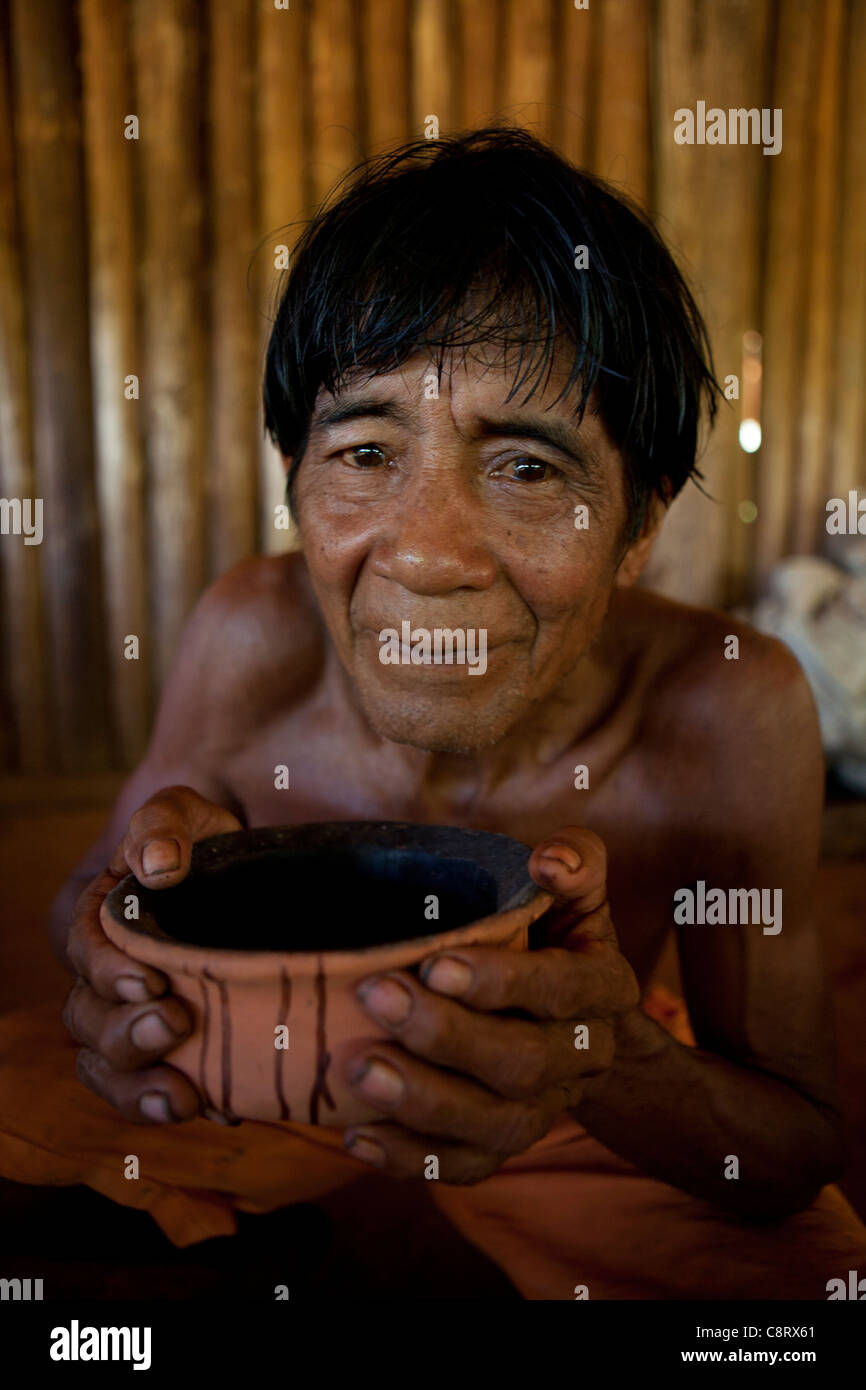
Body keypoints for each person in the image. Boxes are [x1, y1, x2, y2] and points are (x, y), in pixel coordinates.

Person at [33, 127, 866, 1298]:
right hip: (256, 1059)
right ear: (294, 481)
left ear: (639, 524)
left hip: (576, 1083)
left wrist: (601, 1052)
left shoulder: (726, 708)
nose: (425, 555)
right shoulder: (246, 634)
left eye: (527, 468)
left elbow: (783, 1149)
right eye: (365, 450)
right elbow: (89, 901)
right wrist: (121, 963)